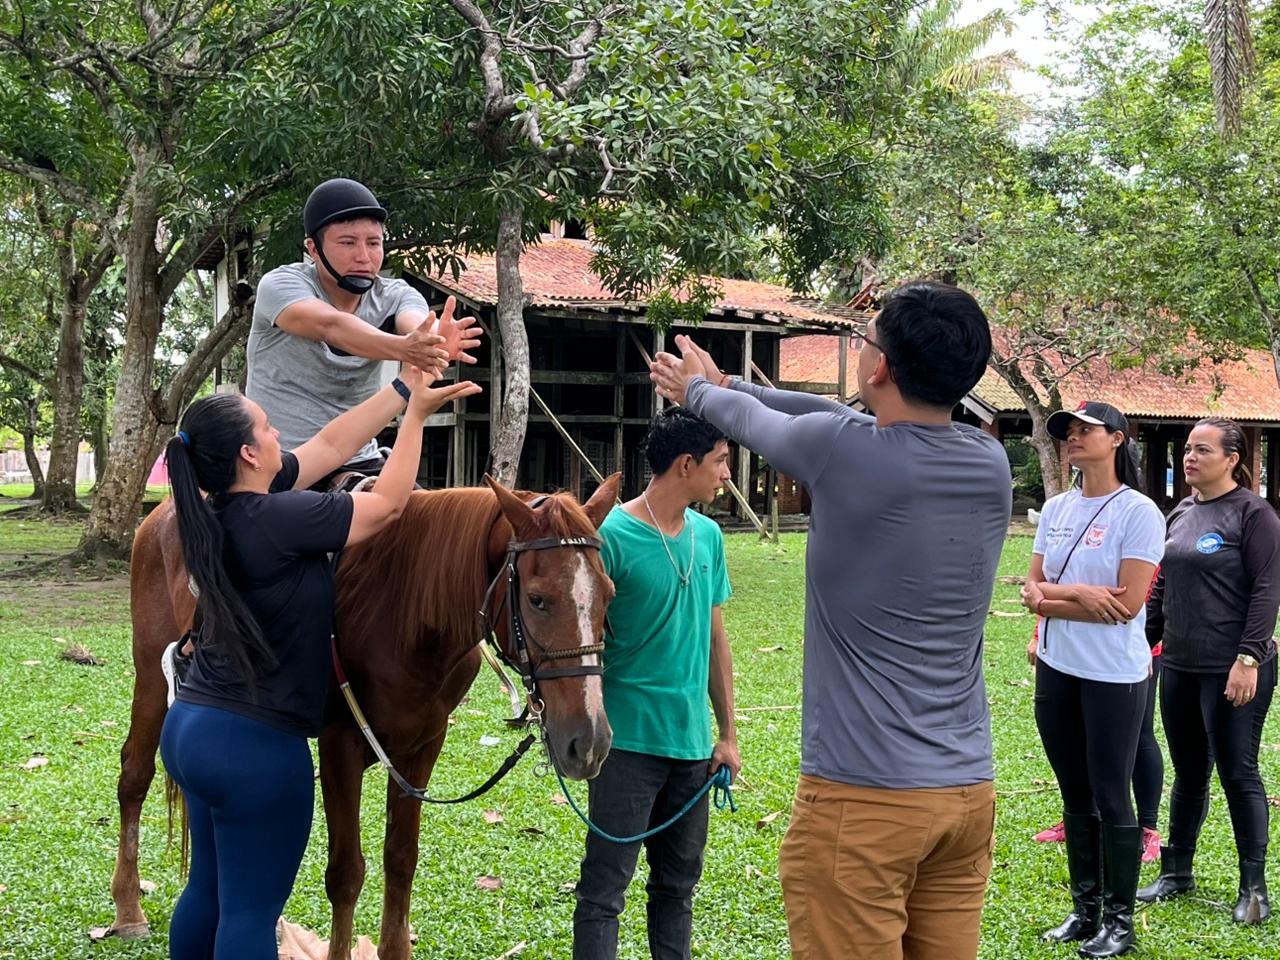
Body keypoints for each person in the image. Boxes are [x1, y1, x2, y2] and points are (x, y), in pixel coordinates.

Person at [650, 281, 1011, 960]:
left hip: (865, 800)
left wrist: (696, 390)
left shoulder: (842, 451)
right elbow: (826, 415)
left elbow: (776, 425)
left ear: (880, 368)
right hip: (964, 795)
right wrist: (726, 384)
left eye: (865, 340)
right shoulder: (987, 460)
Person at [159, 366, 481, 959]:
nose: (278, 433)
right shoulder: (283, 519)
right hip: (254, 748)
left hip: (190, 730)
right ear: (249, 454)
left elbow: (332, 444)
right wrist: (415, 418)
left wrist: (403, 386)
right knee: (249, 914)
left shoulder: (220, 509)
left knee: (206, 891)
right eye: (267, 426)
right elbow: (387, 506)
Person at [572, 406, 741, 960]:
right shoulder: (609, 538)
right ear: (686, 464)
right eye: (721, 461)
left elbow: (715, 640)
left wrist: (727, 735)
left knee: (677, 889)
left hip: (692, 748)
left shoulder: (709, 537)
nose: (727, 474)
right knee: (603, 893)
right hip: (626, 746)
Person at [1021, 401, 1165, 958]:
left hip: (1112, 674)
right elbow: (1031, 587)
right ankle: (1085, 912)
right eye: (1069, 431)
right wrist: (1079, 594)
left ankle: (1120, 922)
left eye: (1087, 430)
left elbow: (1127, 606)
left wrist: (1049, 599)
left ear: (1118, 439)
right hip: (1057, 666)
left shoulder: (1139, 512)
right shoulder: (1057, 508)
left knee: (1111, 793)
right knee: (1074, 791)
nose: (1074, 437)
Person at [1137, 417, 1280, 924]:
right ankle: (1177, 871)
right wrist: (1142, 642)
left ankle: (1254, 890)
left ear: (1232, 460)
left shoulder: (1254, 515)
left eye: (1202, 450)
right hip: (1179, 663)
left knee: (1238, 772)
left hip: (1233, 667)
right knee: (1190, 771)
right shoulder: (1181, 511)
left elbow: (1267, 591)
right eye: (1187, 450)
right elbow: (1162, 585)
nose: (1189, 458)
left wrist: (1248, 658)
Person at [246, 177, 481, 487]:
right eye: (348, 243)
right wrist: (405, 348)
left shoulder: (396, 294)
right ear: (313, 249)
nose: (364, 256)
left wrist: (434, 339)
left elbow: (418, 324)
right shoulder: (281, 285)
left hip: (361, 459)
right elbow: (331, 325)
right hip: (283, 462)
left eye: (373, 243)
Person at [1032, 622, 1165, 866]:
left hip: (1132, 646)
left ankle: (1147, 828)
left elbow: (1138, 603)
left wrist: (1146, 640)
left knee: (1140, 734)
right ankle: (1086, 818)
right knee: (1081, 730)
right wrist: (1039, 631)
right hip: (1075, 647)